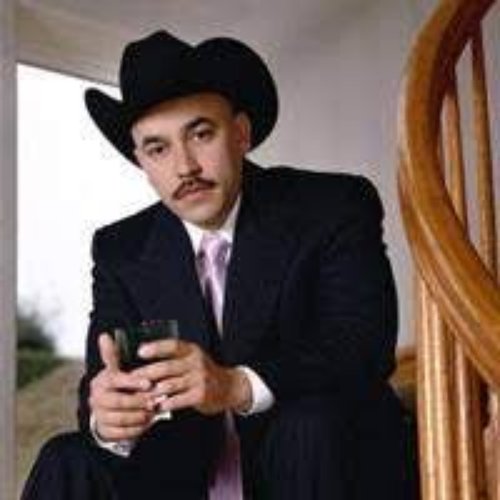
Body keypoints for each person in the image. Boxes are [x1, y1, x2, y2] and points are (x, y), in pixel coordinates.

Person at [22, 30, 417, 500]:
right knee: (66, 457)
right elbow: (106, 381)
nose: (184, 166)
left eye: (201, 134)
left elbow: (362, 349)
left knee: (309, 425)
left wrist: (234, 386)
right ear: (141, 161)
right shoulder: (119, 249)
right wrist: (107, 421)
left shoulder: (331, 206)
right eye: (158, 148)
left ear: (241, 134)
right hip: (183, 476)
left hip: (317, 460)